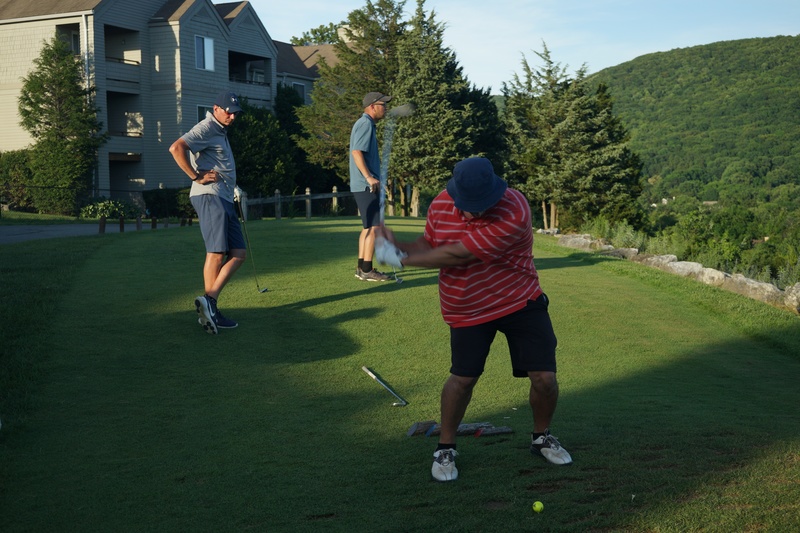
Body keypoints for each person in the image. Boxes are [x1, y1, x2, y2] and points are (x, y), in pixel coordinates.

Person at [378, 157, 572, 482]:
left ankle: (541, 437)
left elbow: (458, 254)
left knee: (544, 378)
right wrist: (397, 245)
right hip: (466, 306)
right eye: (468, 206)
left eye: (482, 205)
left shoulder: (514, 209)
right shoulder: (441, 204)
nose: (474, 213)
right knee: (463, 379)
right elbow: (430, 244)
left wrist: (400, 260)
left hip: (519, 299)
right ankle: (445, 447)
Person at [169, 91, 245, 334]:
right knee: (216, 253)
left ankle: (209, 302)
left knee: (239, 253)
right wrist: (195, 176)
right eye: (229, 112)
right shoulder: (207, 127)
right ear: (216, 109)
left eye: (236, 113)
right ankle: (211, 308)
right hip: (210, 196)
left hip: (224, 197)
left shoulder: (220, 130)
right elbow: (176, 148)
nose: (232, 117)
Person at [350, 91, 392, 281]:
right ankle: (367, 270)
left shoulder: (366, 124)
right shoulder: (365, 123)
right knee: (375, 227)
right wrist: (369, 177)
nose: (386, 108)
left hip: (364, 184)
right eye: (383, 105)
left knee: (368, 227)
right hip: (366, 184)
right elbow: (356, 152)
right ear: (373, 106)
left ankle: (362, 268)